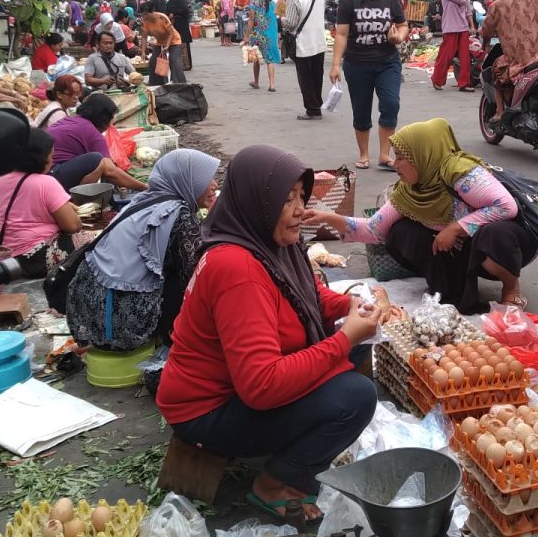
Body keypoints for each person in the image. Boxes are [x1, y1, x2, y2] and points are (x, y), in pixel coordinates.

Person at [157, 146, 392, 523]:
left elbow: (307, 295)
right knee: (355, 395)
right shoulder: (237, 268)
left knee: (356, 352)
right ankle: (275, 483)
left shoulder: (269, 243)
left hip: (237, 387)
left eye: (302, 195)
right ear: (257, 204)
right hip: (206, 410)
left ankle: (290, 450)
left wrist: (350, 305)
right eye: (287, 200)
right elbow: (261, 386)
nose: (301, 208)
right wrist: (344, 337)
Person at [306, 119, 537, 313]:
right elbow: (375, 230)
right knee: (402, 231)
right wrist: (327, 218)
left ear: (422, 155)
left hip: (506, 247)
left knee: (493, 234)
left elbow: (506, 207)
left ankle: (511, 288)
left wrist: (455, 228)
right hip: (463, 248)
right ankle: (450, 287)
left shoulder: (460, 172)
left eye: (401, 157)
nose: (395, 164)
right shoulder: (409, 189)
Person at [67, 149, 219, 351]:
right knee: (196, 280)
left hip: (91, 314)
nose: (215, 185)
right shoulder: (177, 213)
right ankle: (169, 338)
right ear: (187, 181)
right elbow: (196, 277)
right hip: (122, 327)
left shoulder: (145, 200)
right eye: (206, 179)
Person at [331, 0, 408, 170]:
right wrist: (335, 65)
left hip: (387, 62)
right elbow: (342, 35)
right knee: (361, 109)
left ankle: (384, 155)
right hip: (356, 64)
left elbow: (403, 25)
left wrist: (398, 37)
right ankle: (364, 154)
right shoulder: (348, 1)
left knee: (391, 104)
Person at [0, 129, 82, 279]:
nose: (52, 161)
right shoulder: (46, 183)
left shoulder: (2, 178)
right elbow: (73, 226)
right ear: (40, 158)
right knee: (95, 239)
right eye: (51, 156)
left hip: (10, 255)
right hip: (36, 259)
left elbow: (28, 208)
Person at [47, 93, 148, 192]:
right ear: (105, 118)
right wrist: (144, 187)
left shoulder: (69, 120)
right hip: (53, 176)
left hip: (41, 171)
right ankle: (77, 202)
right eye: (112, 117)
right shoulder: (91, 131)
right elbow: (110, 171)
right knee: (98, 161)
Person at [283, 0, 328, 121]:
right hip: (319, 40)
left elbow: (290, 23)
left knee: (305, 78)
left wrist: (280, 19)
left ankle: (312, 109)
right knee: (317, 75)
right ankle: (317, 104)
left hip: (302, 42)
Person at [432, 0, 476, 92]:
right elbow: (460, 0)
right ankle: (437, 80)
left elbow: (468, 9)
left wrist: (471, 25)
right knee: (447, 55)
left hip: (463, 27)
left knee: (465, 56)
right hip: (450, 26)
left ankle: (464, 83)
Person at [245, 0, 281, 91]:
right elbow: (280, 17)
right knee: (269, 60)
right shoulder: (273, 3)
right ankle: (272, 85)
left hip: (257, 35)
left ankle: (256, 82)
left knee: (256, 59)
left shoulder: (253, 3)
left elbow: (251, 20)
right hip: (270, 35)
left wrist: (246, 36)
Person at [166, 0, 194, 71]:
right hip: (175, 25)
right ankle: (180, 64)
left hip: (181, 25)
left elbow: (185, 10)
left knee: (183, 43)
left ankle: (186, 64)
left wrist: (174, 13)